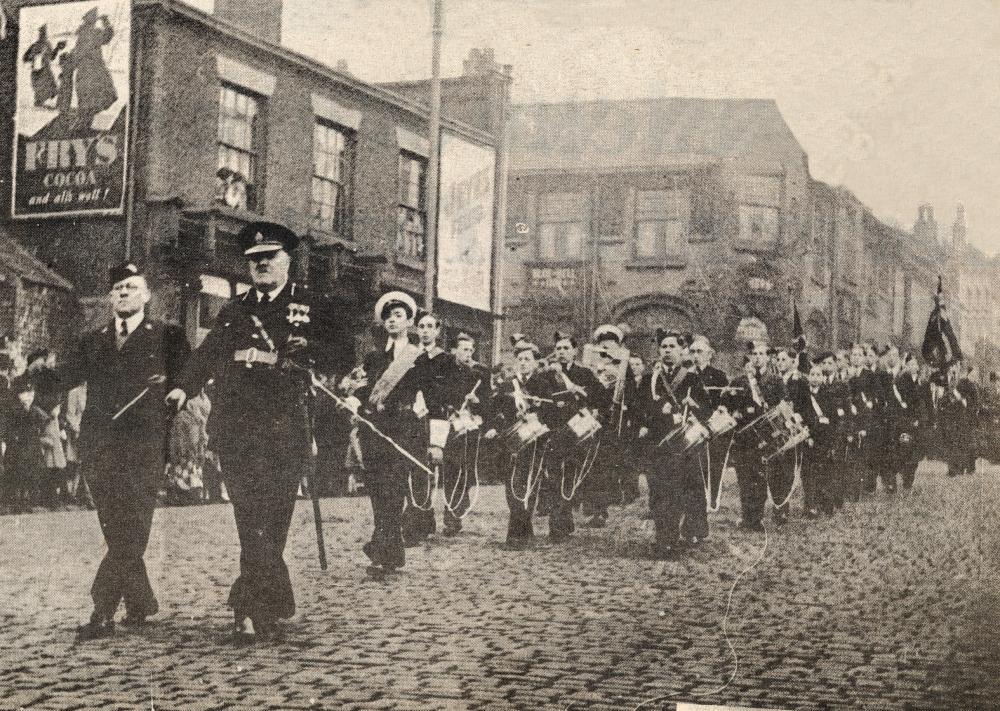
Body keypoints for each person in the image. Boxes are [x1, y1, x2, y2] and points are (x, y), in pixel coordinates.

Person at [167, 222, 349, 642]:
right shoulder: (234, 310)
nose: (262, 264)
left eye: (269, 257)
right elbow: (207, 356)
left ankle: (249, 603)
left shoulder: (308, 304)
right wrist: (182, 387)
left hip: (285, 427)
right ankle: (265, 600)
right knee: (249, 517)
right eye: (254, 259)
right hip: (236, 428)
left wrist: (313, 354)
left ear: (288, 261)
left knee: (274, 516)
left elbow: (342, 351)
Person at [64, 262, 189, 641]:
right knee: (117, 527)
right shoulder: (93, 340)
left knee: (132, 526)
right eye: (117, 287)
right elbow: (65, 376)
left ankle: (102, 609)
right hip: (99, 446)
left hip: (144, 445)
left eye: (132, 287)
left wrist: (178, 389)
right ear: (109, 297)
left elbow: (189, 376)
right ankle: (139, 598)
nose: (123, 293)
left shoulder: (167, 337)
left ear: (146, 296)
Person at [352, 291, 421, 576]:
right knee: (378, 490)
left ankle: (385, 547)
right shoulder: (373, 357)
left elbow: (427, 392)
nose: (392, 321)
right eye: (388, 317)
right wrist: (355, 400)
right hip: (374, 431)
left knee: (394, 490)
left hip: (402, 429)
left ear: (408, 322)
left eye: (398, 316)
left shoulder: (416, 357)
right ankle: (386, 548)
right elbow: (361, 388)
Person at [636, 330, 709, 558]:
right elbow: (640, 408)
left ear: (681, 351)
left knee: (676, 492)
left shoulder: (691, 378)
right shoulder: (650, 379)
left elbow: (705, 409)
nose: (667, 351)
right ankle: (662, 537)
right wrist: (660, 412)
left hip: (682, 446)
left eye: (672, 347)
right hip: (657, 444)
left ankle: (669, 540)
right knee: (658, 492)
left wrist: (693, 405)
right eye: (664, 347)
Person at [723, 340, 784, 532]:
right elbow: (727, 402)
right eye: (754, 354)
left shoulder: (775, 380)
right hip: (744, 436)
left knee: (760, 476)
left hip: (765, 435)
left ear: (767, 357)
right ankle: (747, 515)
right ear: (749, 357)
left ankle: (756, 518)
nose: (757, 358)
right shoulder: (740, 381)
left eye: (761, 354)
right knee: (744, 477)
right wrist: (734, 412)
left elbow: (782, 405)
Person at [442, 331, 491, 536]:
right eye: (464, 349)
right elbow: (439, 394)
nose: (469, 353)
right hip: (451, 425)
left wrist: (477, 401)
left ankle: (460, 502)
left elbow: (487, 401)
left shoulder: (479, 373)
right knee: (452, 468)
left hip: (471, 426)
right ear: (454, 351)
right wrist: (451, 406)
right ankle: (452, 514)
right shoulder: (446, 371)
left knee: (468, 469)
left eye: (471, 350)